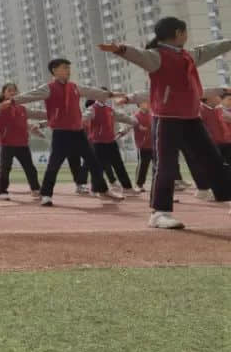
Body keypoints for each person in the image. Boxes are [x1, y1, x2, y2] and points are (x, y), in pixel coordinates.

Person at [98, 16, 231, 228]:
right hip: (167, 119)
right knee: (166, 165)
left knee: (212, 159)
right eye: (185, 32)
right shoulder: (157, 56)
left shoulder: (187, 55)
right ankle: (159, 213)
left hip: (191, 119)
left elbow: (210, 49)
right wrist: (120, 49)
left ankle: (225, 195)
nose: (187, 36)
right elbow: (138, 55)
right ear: (178, 33)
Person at [13, 59, 121, 206]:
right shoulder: (48, 88)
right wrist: (12, 101)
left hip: (78, 132)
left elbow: (91, 91)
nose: (68, 71)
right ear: (55, 71)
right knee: (54, 165)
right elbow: (31, 95)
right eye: (65, 68)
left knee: (94, 163)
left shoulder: (75, 87)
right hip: (61, 133)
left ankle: (103, 190)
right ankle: (46, 195)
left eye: (69, 68)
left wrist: (109, 94)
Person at [0, 84, 47, 199]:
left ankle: (35, 189)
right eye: (9, 91)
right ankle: (2, 191)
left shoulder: (23, 109)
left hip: (23, 144)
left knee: (30, 168)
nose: (12, 93)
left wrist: (54, 113)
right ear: (4, 93)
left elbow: (38, 114)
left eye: (15, 91)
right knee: (5, 169)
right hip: (7, 145)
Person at [83, 96, 139, 195]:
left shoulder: (109, 109)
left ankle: (127, 188)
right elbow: (84, 117)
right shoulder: (92, 109)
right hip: (98, 142)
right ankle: (97, 189)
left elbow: (122, 117)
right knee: (98, 167)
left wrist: (133, 121)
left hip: (111, 141)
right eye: (103, 94)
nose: (106, 97)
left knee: (119, 165)